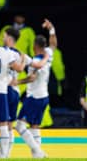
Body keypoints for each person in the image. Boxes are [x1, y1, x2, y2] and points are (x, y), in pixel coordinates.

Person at [15, 19, 57, 158]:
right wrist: (51, 29)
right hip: (44, 97)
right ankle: (37, 156)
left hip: (34, 97)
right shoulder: (48, 55)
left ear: (35, 46)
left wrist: (18, 81)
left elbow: (31, 78)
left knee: (20, 126)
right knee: (34, 126)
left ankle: (39, 152)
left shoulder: (36, 61)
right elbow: (53, 44)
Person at [0, 28, 26, 158]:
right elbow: (19, 69)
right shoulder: (7, 53)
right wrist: (23, 59)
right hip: (2, 92)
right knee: (4, 124)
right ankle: (4, 156)